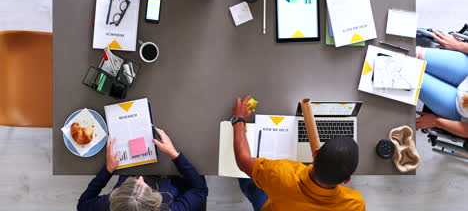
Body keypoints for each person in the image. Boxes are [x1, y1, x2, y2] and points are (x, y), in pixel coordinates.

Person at [231, 95, 365, 211]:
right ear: (347, 180)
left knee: (247, 177)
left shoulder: (281, 174)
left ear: (315, 153)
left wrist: (239, 119)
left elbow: (242, 160)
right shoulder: (355, 204)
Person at [77, 128, 208, 211]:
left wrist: (107, 170)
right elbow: (200, 190)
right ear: (154, 203)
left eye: (132, 182)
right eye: (145, 186)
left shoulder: (107, 205)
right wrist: (174, 154)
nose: (140, 177)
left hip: (137, 163)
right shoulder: (170, 208)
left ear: (115, 198)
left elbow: (82, 204)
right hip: (172, 177)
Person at [416, 30, 468, 137]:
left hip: (459, 109)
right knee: (416, 54)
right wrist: (459, 45)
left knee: (411, 74)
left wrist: (436, 122)